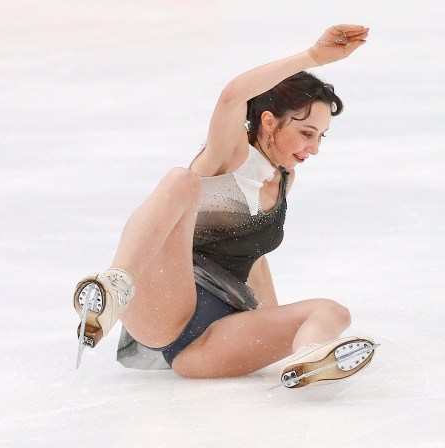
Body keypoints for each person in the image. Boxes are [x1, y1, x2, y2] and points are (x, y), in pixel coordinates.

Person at [73, 24, 377, 388]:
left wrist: (276, 321)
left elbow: (255, 259)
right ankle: (116, 285)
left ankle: (307, 358)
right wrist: (312, 57)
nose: (315, 148)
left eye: (320, 136)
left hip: (211, 344)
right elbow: (233, 95)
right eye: (307, 133)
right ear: (269, 122)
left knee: (332, 311)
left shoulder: (283, 181)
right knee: (180, 180)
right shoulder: (227, 157)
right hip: (166, 311)